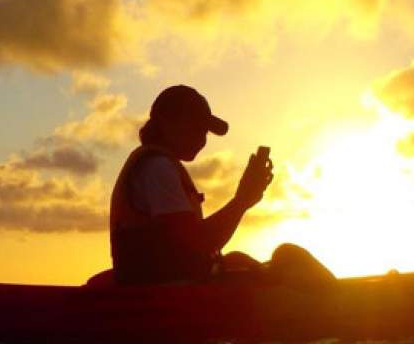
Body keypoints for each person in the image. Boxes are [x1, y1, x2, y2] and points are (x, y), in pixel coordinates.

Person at [109, 84, 335, 288]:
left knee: (240, 259)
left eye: (204, 132)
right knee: (289, 256)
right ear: (167, 122)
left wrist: (244, 200)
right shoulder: (158, 168)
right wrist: (242, 200)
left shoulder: (158, 165)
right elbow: (197, 244)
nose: (202, 140)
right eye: (196, 128)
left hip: (174, 284)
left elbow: (189, 246)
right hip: (169, 295)